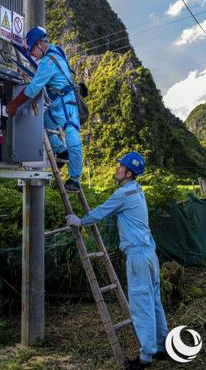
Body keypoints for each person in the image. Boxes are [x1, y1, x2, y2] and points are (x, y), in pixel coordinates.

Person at [66, 152, 169, 369]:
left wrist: (80, 221)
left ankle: (146, 357)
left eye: (120, 167)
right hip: (150, 253)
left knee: (141, 305)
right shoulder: (137, 191)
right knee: (153, 300)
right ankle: (161, 346)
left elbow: (101, 211)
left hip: (138, 257)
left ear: (128, 173)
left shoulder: (123, 194)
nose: (117, 169)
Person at [6, 26, 83, 192]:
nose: (32, 53)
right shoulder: (56, 50)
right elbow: (35, 60)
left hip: (66, 105)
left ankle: (75, 180)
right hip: (56, 104)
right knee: (43, 123)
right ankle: (61, 151)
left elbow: (33, 89)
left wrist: (14, 104)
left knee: (73, 139)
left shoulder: (48, 63)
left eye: (33, 48)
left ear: (40, 44)